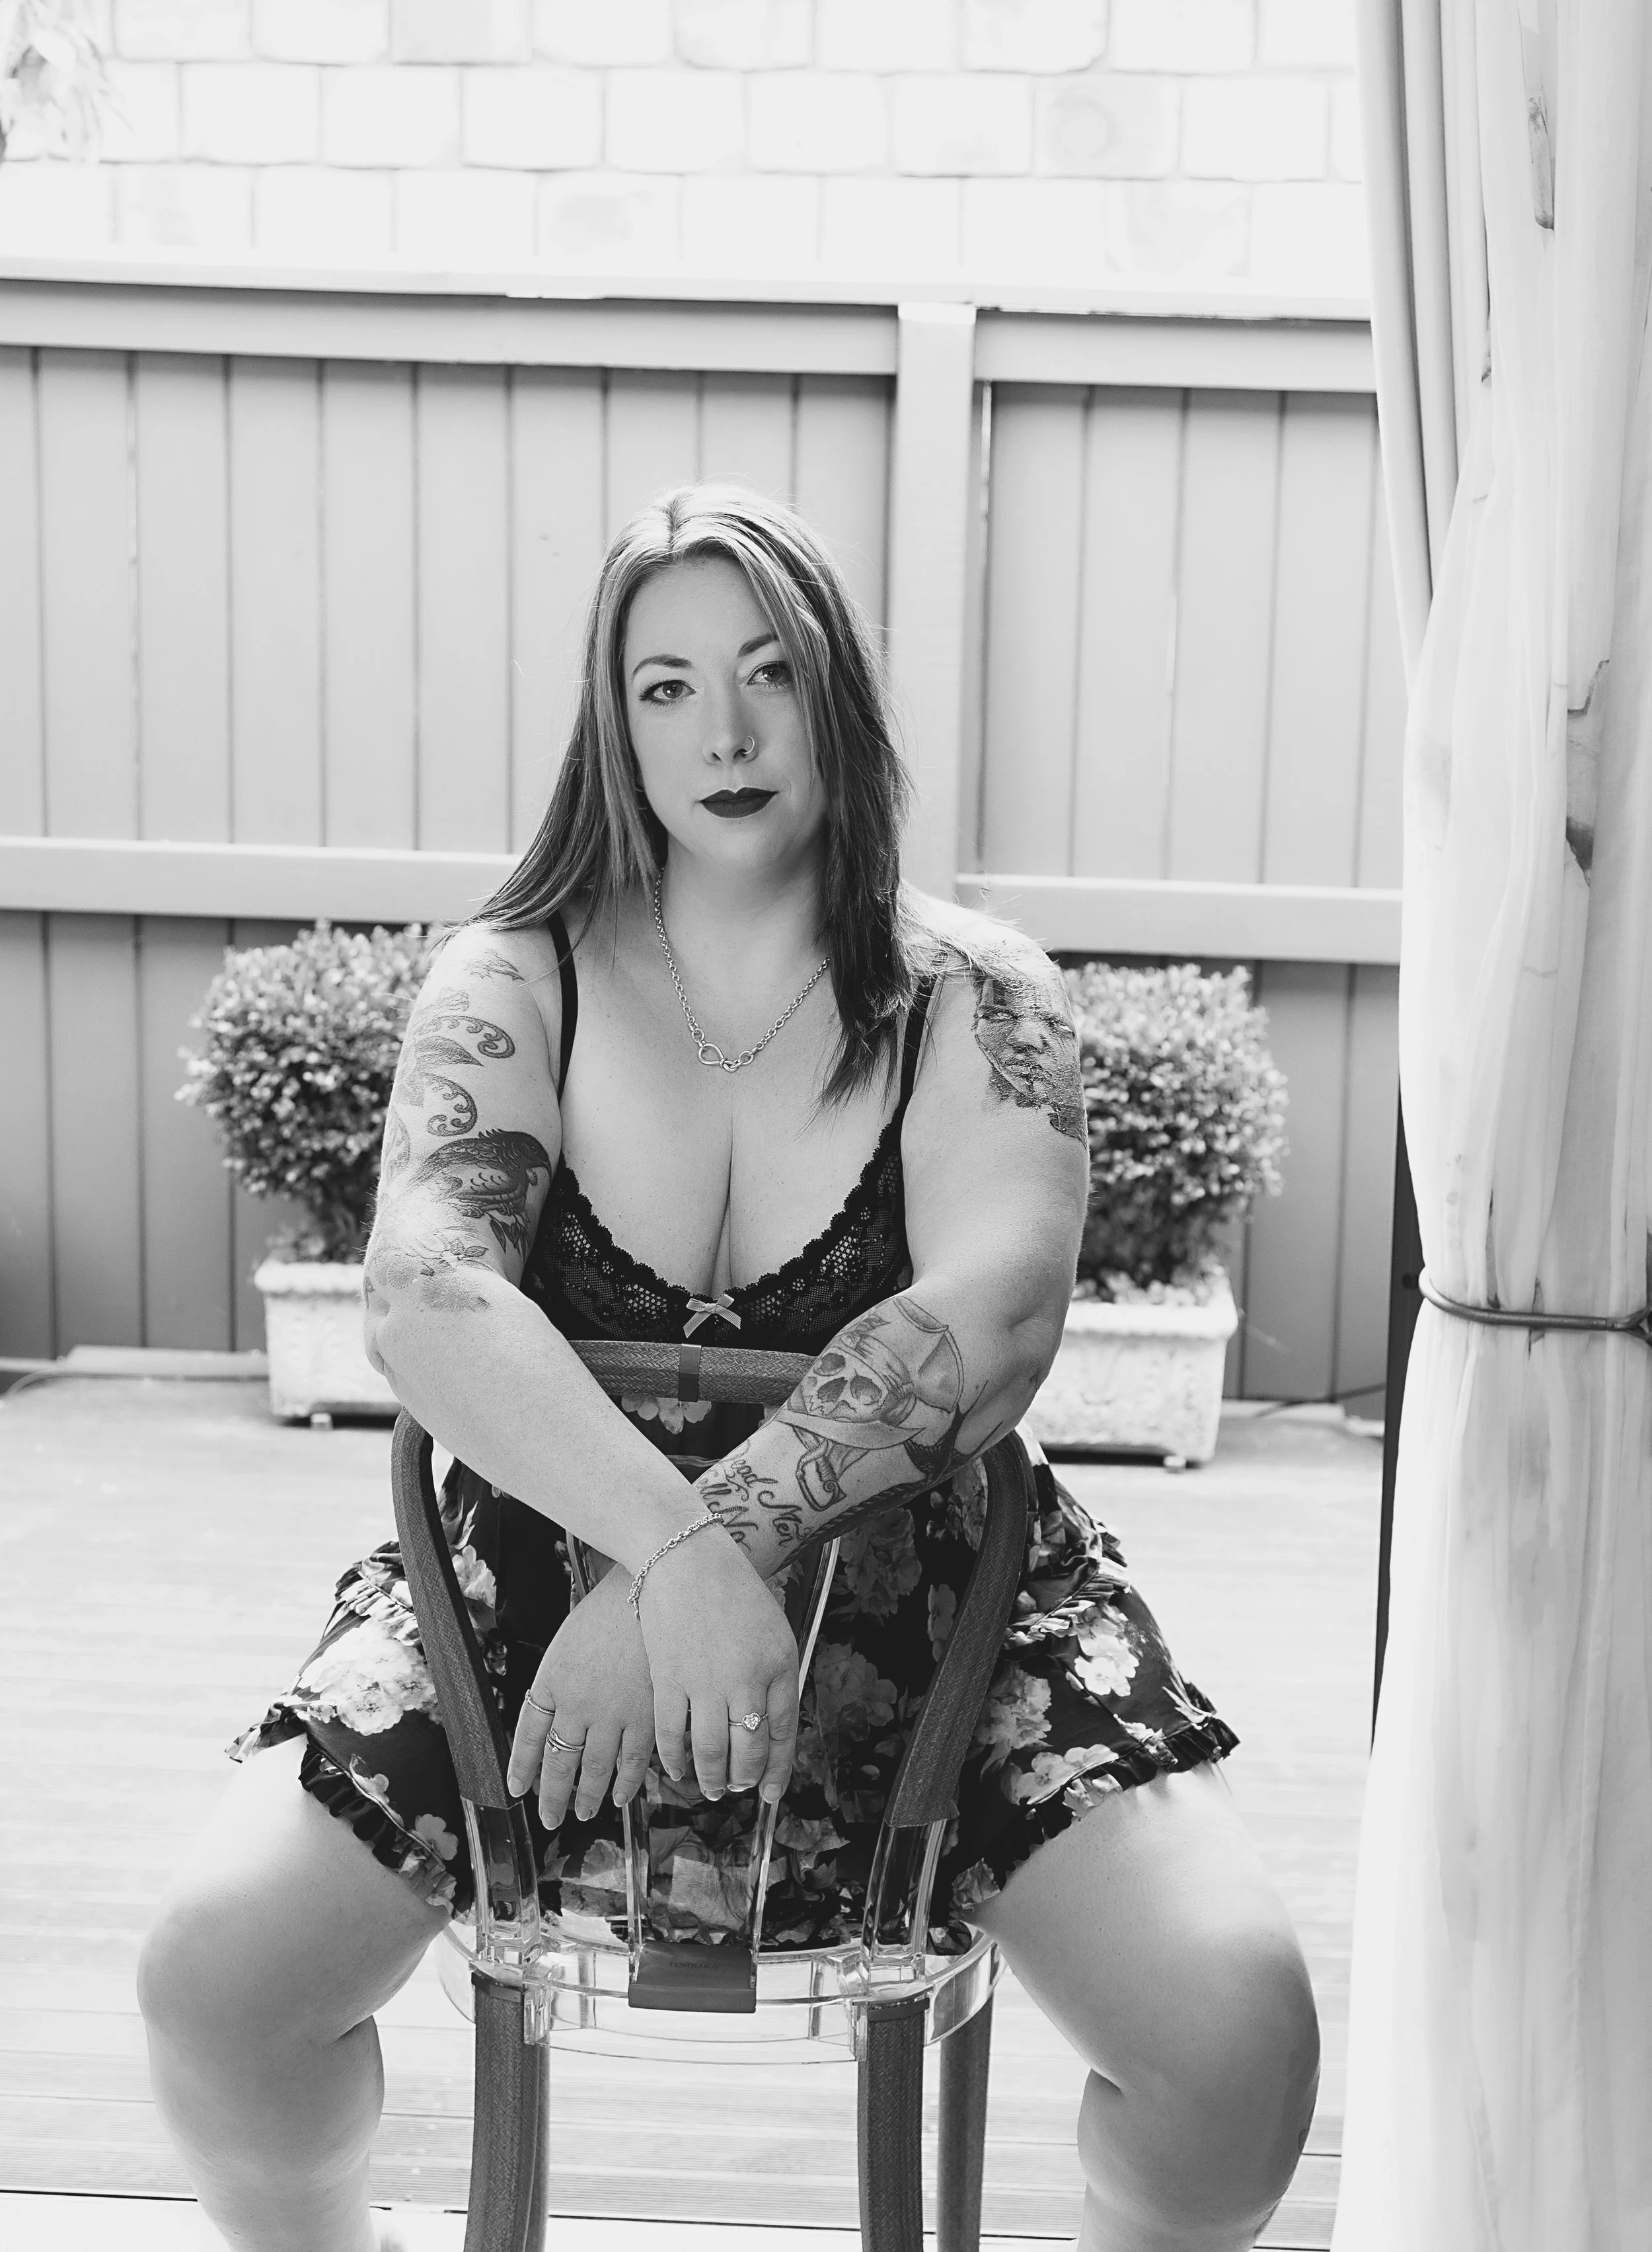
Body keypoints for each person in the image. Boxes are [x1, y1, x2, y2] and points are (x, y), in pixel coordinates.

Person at [137, 485, 1319, 2252]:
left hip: (941, 1605)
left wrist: (715, 1549)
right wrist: (668, 1557)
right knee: (214, 1985)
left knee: (1238, 2045)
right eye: (668, 686)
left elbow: (997, 1315)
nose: (728, 732)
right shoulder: (513, 977)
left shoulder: (974, 993)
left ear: (836, 692)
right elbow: (427, 1295)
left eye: (769, 672)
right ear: (611, 726)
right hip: (530, 1595)